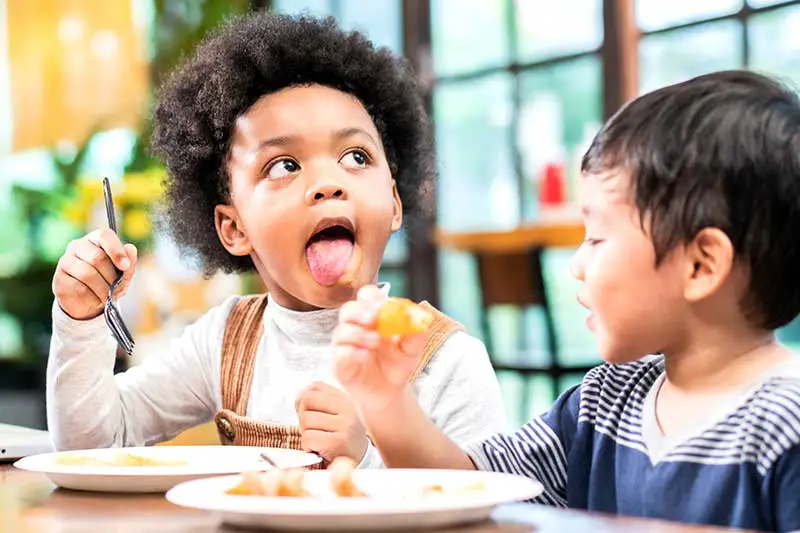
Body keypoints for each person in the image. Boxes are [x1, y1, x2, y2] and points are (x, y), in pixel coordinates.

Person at [332, 70, 800, 531]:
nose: (577, 265)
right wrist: (386, 401)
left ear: (700, 265)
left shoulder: (785, 422)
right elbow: (467, 490)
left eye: (596, 238)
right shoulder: (604, 402)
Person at [46, 11, 505, 467]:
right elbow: (94, 443)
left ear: (394, 201)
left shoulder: (445, 359)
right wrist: (80, 320)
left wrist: (363, 459)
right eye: (284, 165)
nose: (328, 182)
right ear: (234, 228)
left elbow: (488, 505)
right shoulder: (227, 341)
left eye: (356, 156)